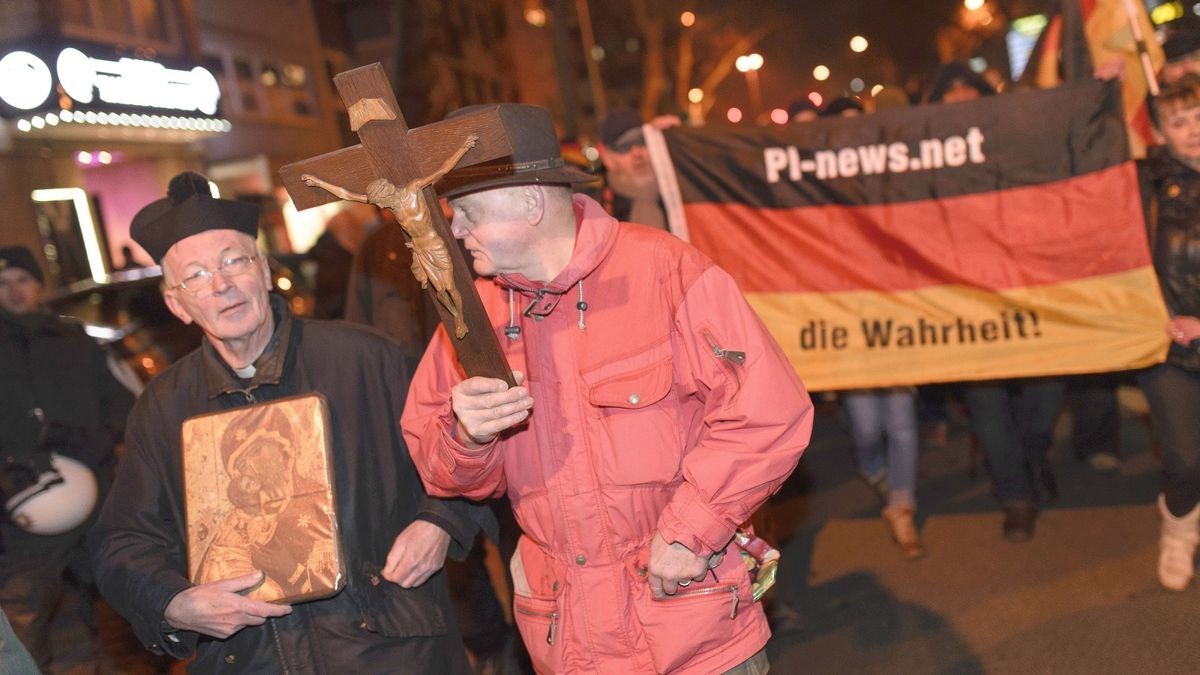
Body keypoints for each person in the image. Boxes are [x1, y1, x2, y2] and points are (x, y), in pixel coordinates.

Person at [403, 103, 813, 674]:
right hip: (568, 641)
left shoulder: (666, 272)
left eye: (468, 211)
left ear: (529, 200)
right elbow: (445, 470)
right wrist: (466, 435)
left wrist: (691, 533)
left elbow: (770, 413)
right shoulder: (476, 319)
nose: (456, 230)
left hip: (689, 628)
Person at [87, 172, 494, 672]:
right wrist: (173, 603)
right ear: (177, 304)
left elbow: (464, 451)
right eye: (194, 276)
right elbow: (121, 542)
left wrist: (439, 523)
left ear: (263, 269)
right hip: (251, 657)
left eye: (234, 261)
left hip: (389, 649)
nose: (221, 285)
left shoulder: (364, 359)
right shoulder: (164, 407)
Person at [0, 245, 134, 672]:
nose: (14, 291)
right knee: (26, 605)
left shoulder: (75, 339)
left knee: (125, 593)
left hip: (96, 491)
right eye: (3, 284)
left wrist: (100, 445)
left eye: (22, 280)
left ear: (38, 284)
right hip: (27, 500)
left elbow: (122, 402)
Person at [1138, 74, 1200, 591]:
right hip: (1168, 350)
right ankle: (1178, 534)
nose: (1193, 130)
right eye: (1179, 121)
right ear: (1160, 130)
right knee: (1185, 459)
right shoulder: (1143, 185)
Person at [596, 107, 679, 230]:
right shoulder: (600, 213)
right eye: (624, 147)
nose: (637, 153)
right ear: (609, 159)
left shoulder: (680, 187)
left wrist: (677, 136)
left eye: (642, 141)